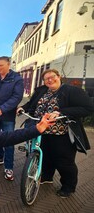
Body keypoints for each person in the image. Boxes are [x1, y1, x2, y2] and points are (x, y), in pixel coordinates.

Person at [17, 69, 94, 198]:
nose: (50, 80)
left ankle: (68, 186)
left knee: (64, 161)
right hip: (42, 130)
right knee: (45, 156)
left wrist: (62, 112)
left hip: (61, 133)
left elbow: (88, 108)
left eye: (52, 77)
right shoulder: (42, 90)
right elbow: (32, 103)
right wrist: (23, 108)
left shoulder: (72, 91)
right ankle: (47, 177)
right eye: (46, 79)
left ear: (59, 77)